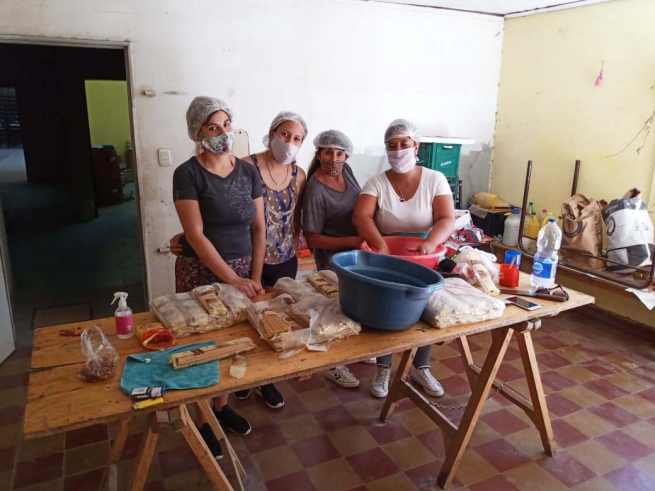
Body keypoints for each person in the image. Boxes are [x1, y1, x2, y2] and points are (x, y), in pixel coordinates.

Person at [172, 96, 265, 457]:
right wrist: (232, 279)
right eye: (213, 127)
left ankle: (221, 406)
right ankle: (201, 417)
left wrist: (252, 276)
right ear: (198, 133)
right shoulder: (188, 173)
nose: (223, 133)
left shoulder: (248, 171)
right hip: (201, 271)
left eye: (227, 124)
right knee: (201, 344)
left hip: (242, 269)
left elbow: (259, 228)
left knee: (231, 343)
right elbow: (194, 235)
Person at [352, 119, 455, 399]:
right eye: (392, 145)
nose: (398, 150)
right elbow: (361, 216)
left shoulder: (435, 179)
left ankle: (421, 366)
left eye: (404, 144)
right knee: (386, 311)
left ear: (416, 146)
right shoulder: (377, 182)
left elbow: (446, 218)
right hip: (387, 255)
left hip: (425, 255)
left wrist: (431, 242)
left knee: (425, 311)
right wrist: (379, 243)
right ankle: (383, 367)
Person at [231, 111, 308, 407]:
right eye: (284, 134)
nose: (289, 142)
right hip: (247, 257)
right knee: (243, 317)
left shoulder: (298, 174)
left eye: (297, 138)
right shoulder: (246, 166)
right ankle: (243, 372)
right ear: (272, 132)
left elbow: (297, 217)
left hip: (285, 258)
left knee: (275, 320)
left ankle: (268, 380)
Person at [300, 129, 366, 388]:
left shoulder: (346, 172)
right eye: (328, 152)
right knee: (332, 308)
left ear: (346, 156)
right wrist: (353, 241)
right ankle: (333, 364)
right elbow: (313, 239)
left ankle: (352, 351)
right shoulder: (315, 189)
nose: (334, 158)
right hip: (331, 258)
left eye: (339, 153)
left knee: (353, 304)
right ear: (318, 153)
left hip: (354, 253)